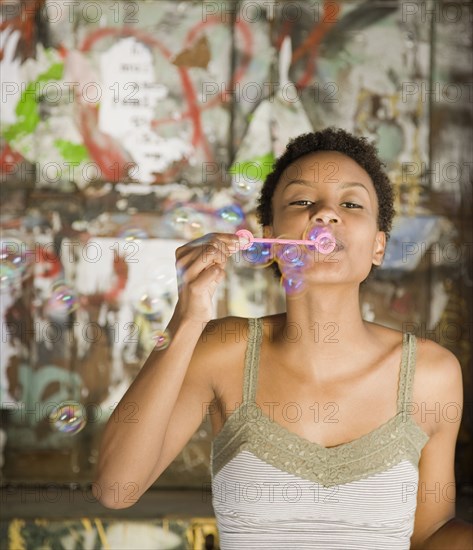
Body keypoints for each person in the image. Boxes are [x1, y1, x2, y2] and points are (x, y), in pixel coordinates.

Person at [93, 128, 472, 549]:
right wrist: (188, 317)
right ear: (269, 238)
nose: (326, 213)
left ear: (378, 246)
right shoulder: (224, 350)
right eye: (303, 201)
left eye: (350, 203)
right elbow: (116, 488)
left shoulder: (431, 373)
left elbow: (431, 533)